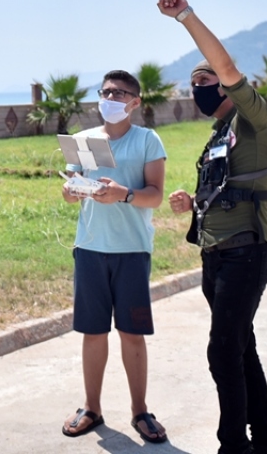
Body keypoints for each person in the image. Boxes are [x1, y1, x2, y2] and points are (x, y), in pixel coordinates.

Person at [155, 0, 267, 454]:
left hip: (246, 254)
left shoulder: (255, 120)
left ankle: (234, 444)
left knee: (222, 352)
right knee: (241, 348)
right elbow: (226, 187)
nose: (199, 89)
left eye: (206, 82)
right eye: (193, 84)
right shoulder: (218, 135)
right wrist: (191, 200)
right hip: (215, 258)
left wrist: (185, 16)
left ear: (228, 84)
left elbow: (226, 67)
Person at [59, 70, 168, 444]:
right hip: (90, 247)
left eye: (120, 93)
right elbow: (71, 184)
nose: (111, 98)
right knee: (93, 331)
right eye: (106, 92)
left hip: (131, 250)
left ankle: (140, 411)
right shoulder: (83, 139)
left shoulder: (148, 140)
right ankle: (92, 408)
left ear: (135, 102)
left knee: (132, 333)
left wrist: (123, 193)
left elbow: (154, 194)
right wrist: (71, 190)